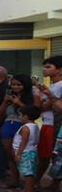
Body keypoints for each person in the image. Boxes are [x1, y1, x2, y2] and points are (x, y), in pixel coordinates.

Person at [0, 73, 34, 188]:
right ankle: (14, 180)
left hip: (23, 126)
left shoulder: (31, 96)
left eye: (19, 85)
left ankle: (28, 181)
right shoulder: (9, 95)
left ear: (25, 85)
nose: (16, 87)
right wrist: (6, 101)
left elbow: (33, 112)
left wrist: (18, 103)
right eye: (14, 84)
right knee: (10, 154)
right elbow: (0, 112)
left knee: (24, 154)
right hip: (8, 124)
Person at [35, 56, 62, 184]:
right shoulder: (51, 86)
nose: (44, 70)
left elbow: (52, 106)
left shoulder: (60, 86)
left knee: (52, 155)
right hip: (47, 123)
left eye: (48, 67)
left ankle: (53, 184)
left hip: (54, 124)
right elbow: (43, 107)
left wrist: (48, 98)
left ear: (59, 70)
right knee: (45, 154)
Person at [14, 105, 41, 192]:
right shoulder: (35, 126)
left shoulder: (25, 127)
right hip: (32, 151)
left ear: (26, 116)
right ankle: (27, 189)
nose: (19, 117)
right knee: (30, 171)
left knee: (28, 172)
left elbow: (24, 141)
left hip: (26, 152)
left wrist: (19, 154)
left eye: (20, 115)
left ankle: (29, 191)